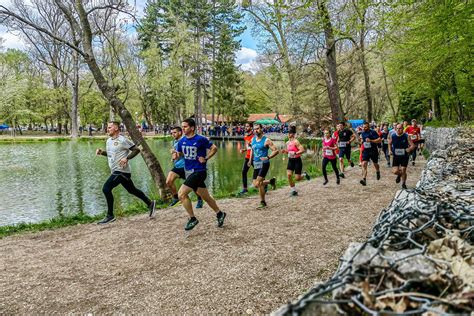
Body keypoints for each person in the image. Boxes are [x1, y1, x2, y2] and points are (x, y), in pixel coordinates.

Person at [95, 121, 156, 224]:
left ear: (116, 129)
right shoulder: (108, 141)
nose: (107, 129)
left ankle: (110, 215)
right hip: (115, 170)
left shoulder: (123, 140)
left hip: (122, 171)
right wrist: (102, 153)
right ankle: (150, 203)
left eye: (110, 127)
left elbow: (136, 150)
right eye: (107, 127)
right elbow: (111, 155)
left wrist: (126, 158)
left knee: (106, 188)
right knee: (132, 190)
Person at [175, 118, 226, 231]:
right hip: (188, 172)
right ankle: (220, 213)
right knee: (206, 197)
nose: (183, 129)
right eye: (182, 127)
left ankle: (193, 218)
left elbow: (214, 148)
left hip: (199, 171)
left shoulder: (201, 139)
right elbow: (179, 153)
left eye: (185, 127)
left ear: (192, 128)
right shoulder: (181, 141)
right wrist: (176, 155)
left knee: (181, 194)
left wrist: (206, 158)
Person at [166, 126, 204, 208]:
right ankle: (176, 198)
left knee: (193, 185)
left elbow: (188, 153)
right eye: (172, 133)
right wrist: (173, 156)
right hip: (178, 166)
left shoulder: (185, 140)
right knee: (168, 181)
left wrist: (176, 152)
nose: (173, 134)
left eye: (174, 132)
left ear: (180, 132)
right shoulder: (175, 141)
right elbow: (176, 154)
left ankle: (200, 199)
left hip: (186, 166)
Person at [250, 124, 278, 209]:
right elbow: (252, 149)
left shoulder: (266, 140)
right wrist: (250, 160)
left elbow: (276, 150)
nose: (256, 130)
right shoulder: (253, 139)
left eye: (258, 129)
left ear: (261, 129)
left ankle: (263, 202)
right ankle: (270, 182)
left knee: (259, 183)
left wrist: (268, 157)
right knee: (255, 184)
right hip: (256, 164)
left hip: (264, 163)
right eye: (254, 129)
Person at [280, 126, 310, 196]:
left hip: (297, 160)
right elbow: (289, 152)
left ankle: (304, 174)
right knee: (289, 175)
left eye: (290, 133)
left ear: (293, 134)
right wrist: (285, 151)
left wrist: (295, 153)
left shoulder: (296, 141)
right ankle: (294, 190)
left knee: (297, 178)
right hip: (291, 160)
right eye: (288, 133)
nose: (289, 134)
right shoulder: (287, 142)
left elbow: (302, 150)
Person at [389, 123, 416, 189]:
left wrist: (409, 149)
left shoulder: (406, 136)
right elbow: (389, 143)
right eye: (397, 128)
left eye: (400, 128)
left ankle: (403, 184)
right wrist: (390, 150)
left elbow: (413, 145)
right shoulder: (393, 135)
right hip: (396, 156)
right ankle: (399, 175)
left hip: (404, 156)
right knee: (395, 171)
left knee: (403, 169)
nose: (398, 130)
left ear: (403, 129)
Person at [359, 121, 382, 186]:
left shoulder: (373, 132)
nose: (364, 128)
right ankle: (364, 179)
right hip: (366, 151)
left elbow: (379, 140)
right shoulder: (362, 133)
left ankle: (377, 171)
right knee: (364, 164)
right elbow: (362, 140)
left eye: (365, 127)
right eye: (363, 127)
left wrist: (371, 140)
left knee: (375, 164)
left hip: (373, 150)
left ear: (368, 127)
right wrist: (361, 141)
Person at [237, 122, 254, 196]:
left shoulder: (254, 137)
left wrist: (251, 159)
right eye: (245, 126)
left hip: (254, 157)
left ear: (251, 127)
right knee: (244, 172)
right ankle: (245, 189)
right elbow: (249, 148)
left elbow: (254, 148)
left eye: (247, 126)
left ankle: (266, 184)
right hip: (247, 157)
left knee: (258, 174)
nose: (246, 128)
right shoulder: (245, 137)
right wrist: (244, 150)